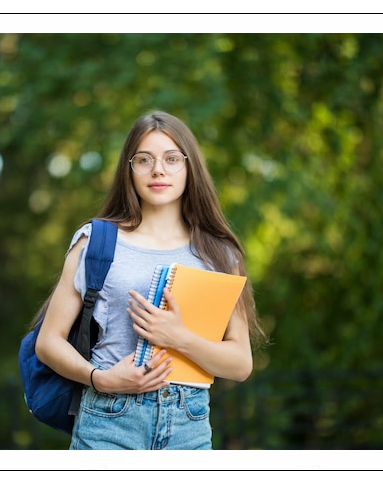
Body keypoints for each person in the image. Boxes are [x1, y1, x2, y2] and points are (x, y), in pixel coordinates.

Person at [35, 111, 265, 450]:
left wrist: (178, 337)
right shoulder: (96, 241)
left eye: (172, 159)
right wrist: (102, 379)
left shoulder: (219, 253)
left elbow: (241, 364)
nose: (158, 170)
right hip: (108, 419)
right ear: (129, 169)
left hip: (188, 425)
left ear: (190, 167)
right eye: (144, 159)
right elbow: (48, 342)